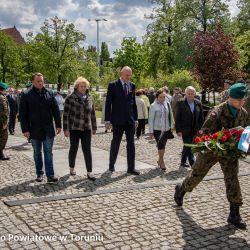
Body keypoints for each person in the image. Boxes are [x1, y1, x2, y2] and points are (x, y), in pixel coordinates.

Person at [174, 83, 250, 229]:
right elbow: (204, 132)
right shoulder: (218, 111)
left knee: (232, 178)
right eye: (238, 100)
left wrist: (244, 147)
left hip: (229, 152)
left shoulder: (243, 113)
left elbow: (246, 132)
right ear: (230, 98)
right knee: (197, 175)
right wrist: (220, 139)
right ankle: (181, 189)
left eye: (243, 100)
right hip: (211, 150)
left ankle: (234, 214)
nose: (242, 103)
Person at [19, 73, 61, 183]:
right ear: (33, 82)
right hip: (34, 129)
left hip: (48, 129)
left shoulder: (49, 93)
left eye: (42, 81)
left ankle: (50, 175)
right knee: (37, 152)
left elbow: (55, 110)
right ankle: (39, 173)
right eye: (38, 81)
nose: (41, 83)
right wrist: (25, 129)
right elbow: (22, 114)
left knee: (48, 152)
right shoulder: (26, 94)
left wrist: (58, 124)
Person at [105, 66, 140, 175]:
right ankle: (111, 164)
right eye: (126, 75)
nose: (128, 77)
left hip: (130, 120)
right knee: (116, 143)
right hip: (117, 120)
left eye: (130, 75)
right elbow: (108, 103)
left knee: (131, 144)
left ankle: (131, 168)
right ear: (121, 74)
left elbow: (133, 103)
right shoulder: (113, 85)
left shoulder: (132, 85)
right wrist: (107, 120)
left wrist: (136, 118)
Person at [63, 77, 97, 181]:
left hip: (87, 127)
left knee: (87, 149)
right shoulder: (70, 98)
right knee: (74, 148)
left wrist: (94, 127)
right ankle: (72, 167)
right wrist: (66, 129)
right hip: (75, 127)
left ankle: (89, 172)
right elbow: (66, 115)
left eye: (85, 86)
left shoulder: (90, 97)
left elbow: (93, 113)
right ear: (77, 87)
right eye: (81, 86)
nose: (83, 88)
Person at [175, 86, 204, 168]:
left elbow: (201, 117)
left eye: (192, 93)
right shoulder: (181, 102)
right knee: (189, 146)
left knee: (187, 145)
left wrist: (202, 129)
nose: (190, 95)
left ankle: (183, 161)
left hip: (195, 128)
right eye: (189, 93)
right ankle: (193, 163)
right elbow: (177, 117)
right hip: (185, 129)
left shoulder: (198, 103)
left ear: (195, 94)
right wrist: (178, 130)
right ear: (186, 94)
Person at [148, 88, 174, 170]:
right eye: (161, 97)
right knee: (161, 145)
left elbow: (171, 115)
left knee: (163, 145)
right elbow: (151, 119)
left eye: (164, 97)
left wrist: (172, 126)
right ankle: (162, 162)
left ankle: (159, 159)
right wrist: (151, 132)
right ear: (157, 97)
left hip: (166, 129)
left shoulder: (167, 104)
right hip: (157, 130)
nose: (163, 99)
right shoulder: (153, 106)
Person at [0, 82, 10, 160]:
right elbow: (4, 111)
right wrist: (5, 122)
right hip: (1, 122)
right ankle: (0, 153)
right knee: (4, 137)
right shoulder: (2, 98)